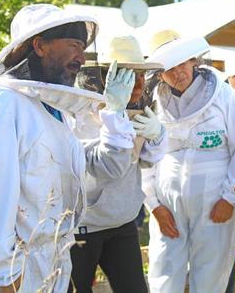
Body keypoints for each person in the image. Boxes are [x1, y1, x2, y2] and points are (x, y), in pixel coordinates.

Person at [0, 4, 132, 292]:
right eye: (74, 45)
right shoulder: (3, 104)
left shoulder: (55, 113)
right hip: (11, 275)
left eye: (83, 47)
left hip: (49, 265)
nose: (81, 57)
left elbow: (103, 167)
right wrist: (6, 278)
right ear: (39, 45)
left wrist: (115, 115)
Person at [142, 30, 235, 293]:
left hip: (216, 201)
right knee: (164, 271)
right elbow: (144, 156)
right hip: (167, 203)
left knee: (212, 273)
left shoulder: (225, 97)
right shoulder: (152, 102)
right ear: (160, 74)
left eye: (182, 63)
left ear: (194, 61)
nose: (178, 72)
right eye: (170, 68)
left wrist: (230, 198)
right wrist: (154, 205)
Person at [68, 35, 166, 293]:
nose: (139, 82)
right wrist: (113, 116)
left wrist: (158, 136)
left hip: (122, 222)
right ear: (106, 76)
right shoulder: (79, 112)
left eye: (141, 74)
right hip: (82, 227)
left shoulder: (138, 109)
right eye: (129, 74)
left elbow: (147, 160)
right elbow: (107, 167)